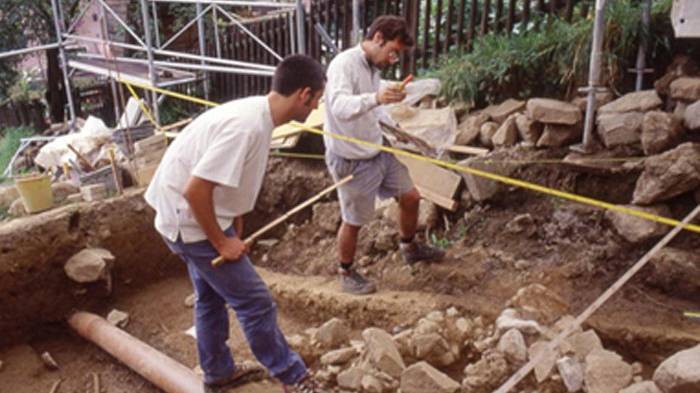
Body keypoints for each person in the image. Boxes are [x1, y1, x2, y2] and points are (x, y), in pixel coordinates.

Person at [145, 55, 327, 393]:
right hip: (187, 218)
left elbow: (229, 179)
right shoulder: (247, 126)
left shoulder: (258, 116)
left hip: (189, 213)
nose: (316, 107)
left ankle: (218, 373)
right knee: (255, 301)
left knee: (210, 297)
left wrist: (234, 222)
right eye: (317, 98)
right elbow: (195, 189)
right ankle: (293, 376)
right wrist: (221, 242)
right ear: (303, 94)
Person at [323, 15, 445, 296]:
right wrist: (376, 98)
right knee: (353, 220)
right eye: (392, 51)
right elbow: (340, 106)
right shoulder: (344, 64)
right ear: (378, 38)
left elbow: (373, 108)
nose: (393, 58)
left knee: (411, 197)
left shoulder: (372, 68)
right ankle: (346, 271)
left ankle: (410, 247)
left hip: (377, 150)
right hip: (351, 158)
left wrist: (396, 127)